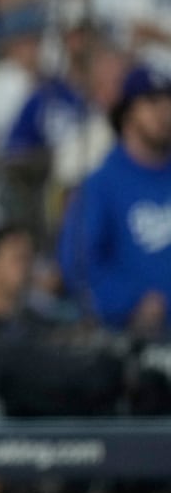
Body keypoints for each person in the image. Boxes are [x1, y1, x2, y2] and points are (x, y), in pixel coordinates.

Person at [58, 66, 171, 335]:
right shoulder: (101, 184)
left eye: (169, 102)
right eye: (152, 102)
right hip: (140, 340)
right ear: (128, 112)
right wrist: (128, 302)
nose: (164, 112)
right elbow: (77, 262)